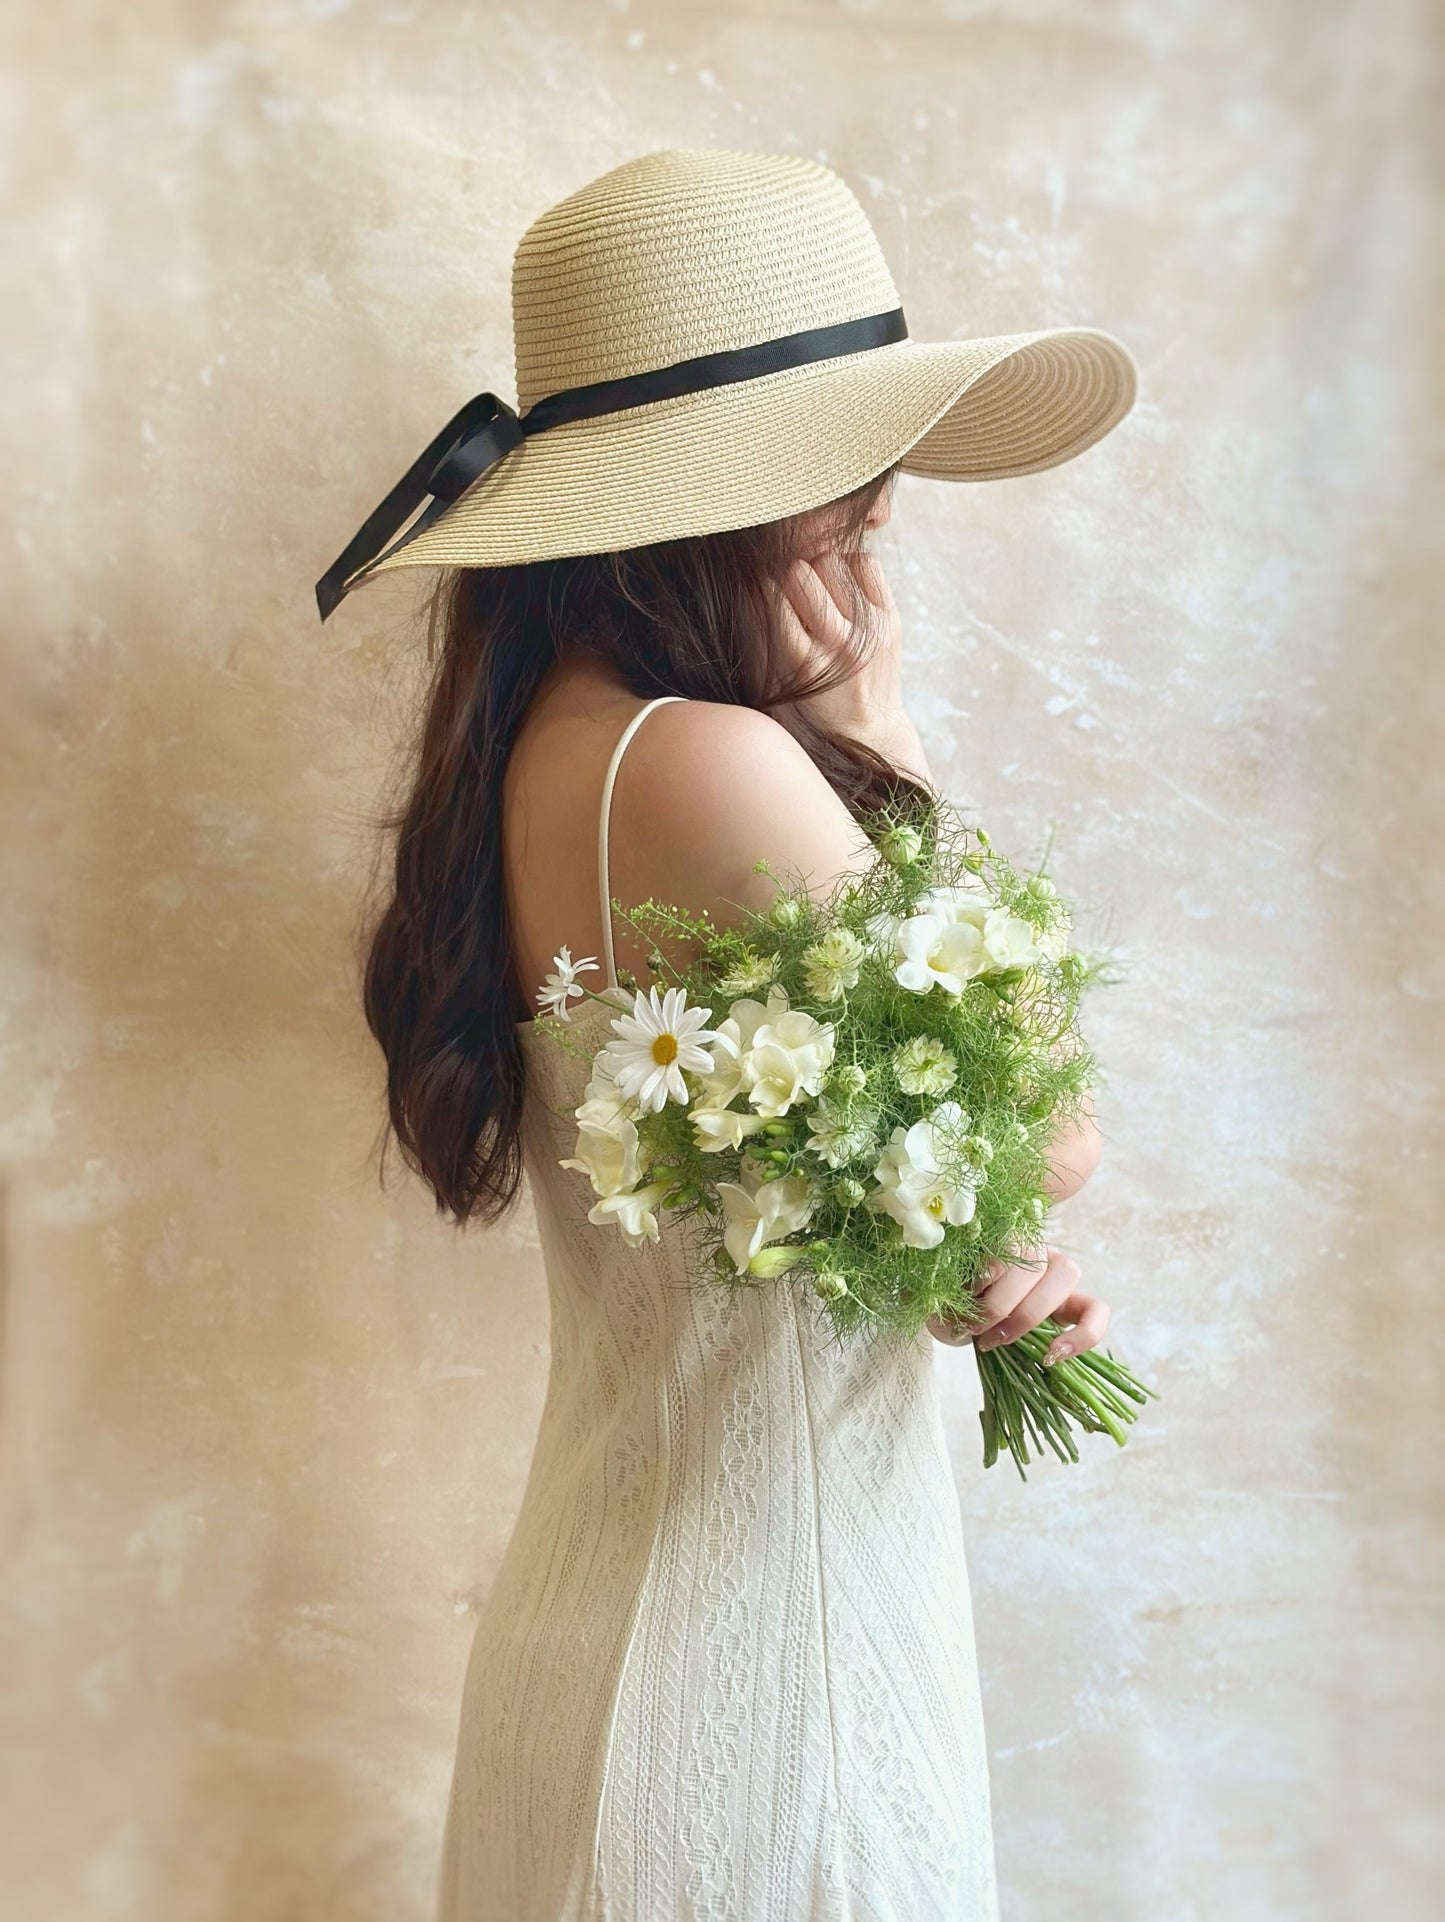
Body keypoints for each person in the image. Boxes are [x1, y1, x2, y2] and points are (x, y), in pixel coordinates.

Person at [319, 148, 1135, 1920]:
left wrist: (952, 1261)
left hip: (613, 1645)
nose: (873, 518)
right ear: (703, 501)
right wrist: (886, 726)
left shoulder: (552, 747)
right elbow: (1034, 1119)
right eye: (834, 484)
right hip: (770, 1697)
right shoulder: (705, 760)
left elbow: (774, 1193)